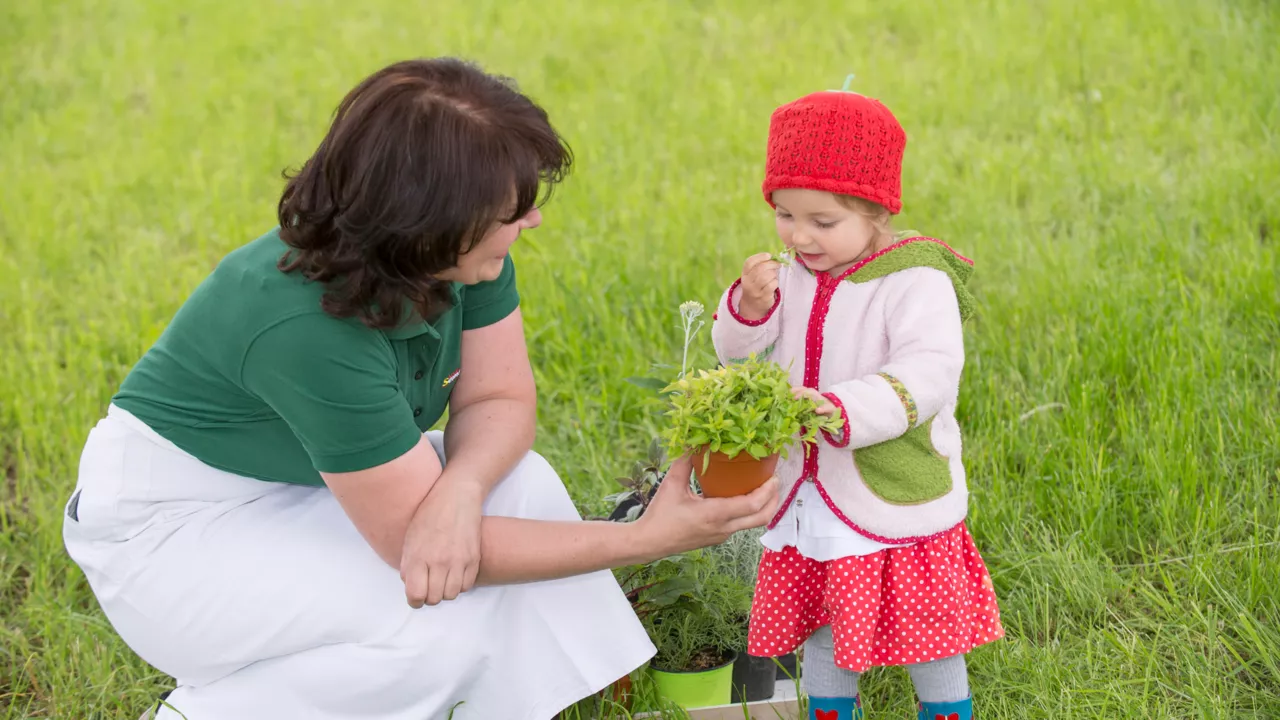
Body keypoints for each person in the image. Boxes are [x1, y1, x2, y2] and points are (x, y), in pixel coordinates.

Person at [61, 57, 779, 720]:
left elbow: (499, 400)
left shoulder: (468, 259)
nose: (530, 220)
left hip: (310, 486)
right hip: (173, 535)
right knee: (434, 622)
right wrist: (646, 538)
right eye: (511, 210)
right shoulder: (300, 323)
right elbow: (417, 550)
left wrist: (460, 490)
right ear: (427, 227)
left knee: (515, 485)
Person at [710, 86, 1003, 720]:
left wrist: (846, 409)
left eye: (822, 222)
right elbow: (738, 352)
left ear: (875, 212)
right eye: (785, 214)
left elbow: (929, 372)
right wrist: (748, 310)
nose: (799, 236)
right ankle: (831, 711)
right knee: (822, 621)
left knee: (926, 627)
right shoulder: (789, 275)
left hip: (887, 487)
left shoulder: (915, 280)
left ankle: (946, 709)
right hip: (812, 490)